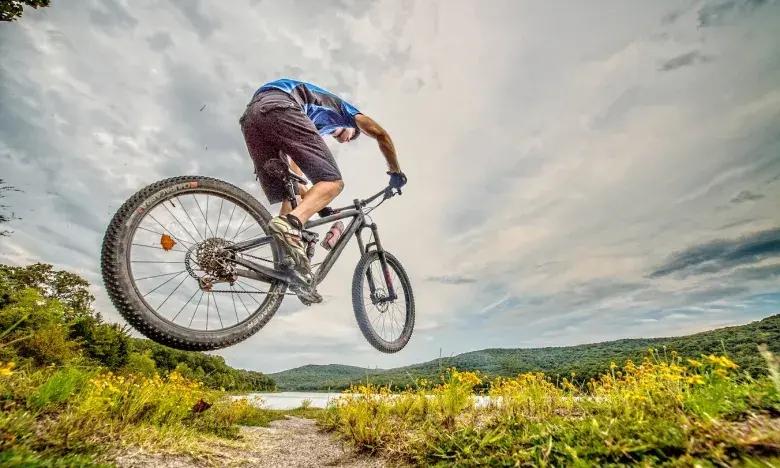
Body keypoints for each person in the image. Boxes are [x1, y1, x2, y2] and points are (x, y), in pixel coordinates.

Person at [239, 78, 406, 300]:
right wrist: (395, 171)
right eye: (352, 136)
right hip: (279, 104)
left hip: (252, 118)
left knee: (292, 190)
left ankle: (286, 264)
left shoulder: (310, 123)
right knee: (334, 182)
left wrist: (317, 203)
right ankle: (290, 227)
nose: (348, 140)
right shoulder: (345, 112)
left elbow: (297, 175)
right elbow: (381, 134)